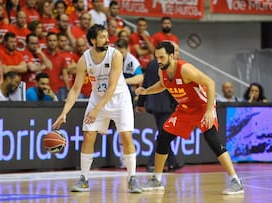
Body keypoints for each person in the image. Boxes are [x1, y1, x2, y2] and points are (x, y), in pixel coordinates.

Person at [135, 41, 244, 195]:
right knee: (163, 138)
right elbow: (163, 84)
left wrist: (209, 111)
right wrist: (146, 92)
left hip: (202, 107)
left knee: (212, 140)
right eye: (156, 57)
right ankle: (156, 180)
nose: (158, 61)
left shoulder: (185, 69)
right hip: (185, 109)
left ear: (172, 56)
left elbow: (210, 83)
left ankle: (235, 182)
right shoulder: (162, 71)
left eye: (161, 57)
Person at [52, 24, 142, 193]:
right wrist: (64, 113)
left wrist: (96, 110)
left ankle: (132, 178)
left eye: (107, 36)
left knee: (126, 136)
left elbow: (112, 87)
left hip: (119, 99)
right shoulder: (84, 59)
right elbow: (75, 89)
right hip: (97, 98)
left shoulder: (115, 55)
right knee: (88, 135)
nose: (107, 39)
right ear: (93, 40)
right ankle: (84, 179)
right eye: (102, 37)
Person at [136, 42, 182, 173]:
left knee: (165, 134)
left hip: (153, 105)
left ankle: (172, 162)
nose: (177, 54)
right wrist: (178, 103)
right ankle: (152, 163)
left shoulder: (150, 64)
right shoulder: (168, 66)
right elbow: (169, 87)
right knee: (163, 135)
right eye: (175, 51)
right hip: (166, 105)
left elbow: (145, 83)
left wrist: (140, 103)